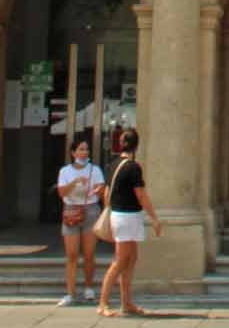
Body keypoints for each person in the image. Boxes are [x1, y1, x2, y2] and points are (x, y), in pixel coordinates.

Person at [98, 126, 163, 319]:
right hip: (127, 217)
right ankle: (103, 303)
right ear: (136, 146)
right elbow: (141, 194)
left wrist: (110, 211)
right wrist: (154, 218)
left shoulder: (113, 164)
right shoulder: (133, 167)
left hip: (122, 215)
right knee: (119, 261)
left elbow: (106, 193)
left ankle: (127, 303)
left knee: (131, 259)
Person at [59, 136, 108, 305]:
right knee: (72, 254)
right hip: (71, 210)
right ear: (73, 153)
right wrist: (75, 182)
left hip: (90, 210)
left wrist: (96, 189)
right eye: (80, 149)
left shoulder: (95, 170)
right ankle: (70, 292)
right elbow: (62, 192)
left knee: (89, 253)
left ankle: (88, 286)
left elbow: (101, 190)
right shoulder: (65, 171)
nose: (84, 152)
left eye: (86, 149)